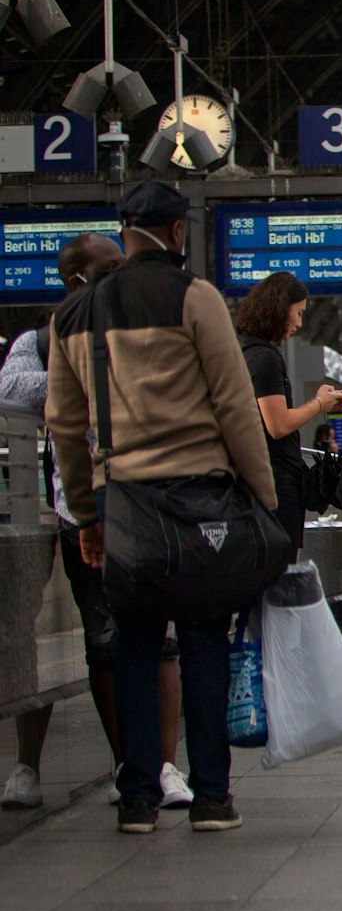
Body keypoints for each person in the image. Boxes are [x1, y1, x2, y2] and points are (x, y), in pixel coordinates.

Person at [45, 180, 278, 834]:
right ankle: (210, 796)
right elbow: (234, 405)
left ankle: (140, 797)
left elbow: (64, 425)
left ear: (124, 232)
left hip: (124, 503)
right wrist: (263, 496)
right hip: (200, 500)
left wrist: (87, 518)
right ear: (178, 233)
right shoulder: (194, 296)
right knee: (202, 640)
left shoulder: (73, 315)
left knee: (136, 645)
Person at [1, 234, 193, 814]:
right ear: (77, 280)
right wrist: (85, 376)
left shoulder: (141, 325)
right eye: (110, 267)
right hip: (66, 509)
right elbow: (9, 390)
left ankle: (158, 765)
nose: (123, 275)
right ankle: (50, 764)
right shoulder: (39, 340)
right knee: (81, 640)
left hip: (143, 501)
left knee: (157, 639)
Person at [235, 271, 342, 554]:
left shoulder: (245, 352)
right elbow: (277, 425)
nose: (299, 323)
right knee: (280, 570)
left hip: (258, 479)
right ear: (278, 308)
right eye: (297, 313)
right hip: (275, 484)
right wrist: (318, 404)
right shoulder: (264, 358)